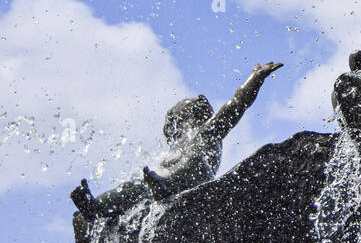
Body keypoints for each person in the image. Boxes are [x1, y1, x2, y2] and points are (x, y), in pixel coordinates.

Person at [70, 61, 282, 220]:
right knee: (133, 187)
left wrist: (255, 78)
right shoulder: (175, 148)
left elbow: (235, 106)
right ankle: (96, 208)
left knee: (184, 165)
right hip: (161, 185)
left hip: (194, 183)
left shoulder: (206, 132)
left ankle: (168, 186)